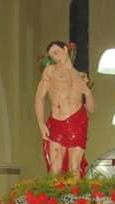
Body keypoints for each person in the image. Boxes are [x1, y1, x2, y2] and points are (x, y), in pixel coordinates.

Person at [34, 40, 94, 177]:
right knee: (55, 167)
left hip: (77, 120)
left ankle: (75, 192)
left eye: (56, 52)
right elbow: (39, 97)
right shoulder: (50, 71)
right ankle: (52, 192)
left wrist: (88, 92)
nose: (55, 57)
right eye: (52, 56)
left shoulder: (80, 75)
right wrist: (41, 123)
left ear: (66, 50)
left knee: (74, 166)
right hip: (57, 121)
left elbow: (91, 109)